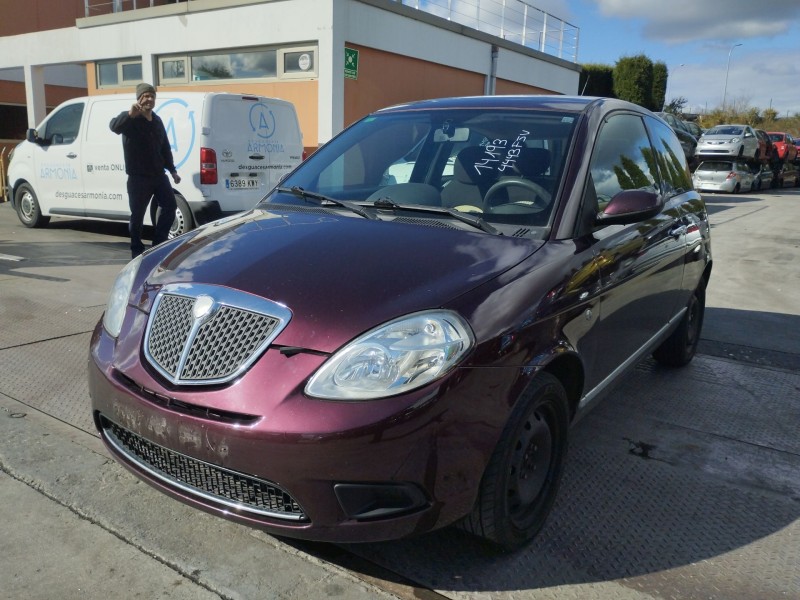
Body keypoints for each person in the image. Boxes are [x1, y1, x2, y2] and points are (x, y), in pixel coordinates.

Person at [110, 82, 181, 258]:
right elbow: (113, 127)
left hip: (158, 175)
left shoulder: (157, 120)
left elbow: (164, 147)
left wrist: (172, 170)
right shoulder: (129, 119)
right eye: (146, 96)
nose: (149, 99)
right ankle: (136, 249)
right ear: (139, 98)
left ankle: (158, 244)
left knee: (170, 206)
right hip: (138, 178)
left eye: (152, 96)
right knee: (138, 215)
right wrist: (129, 115)